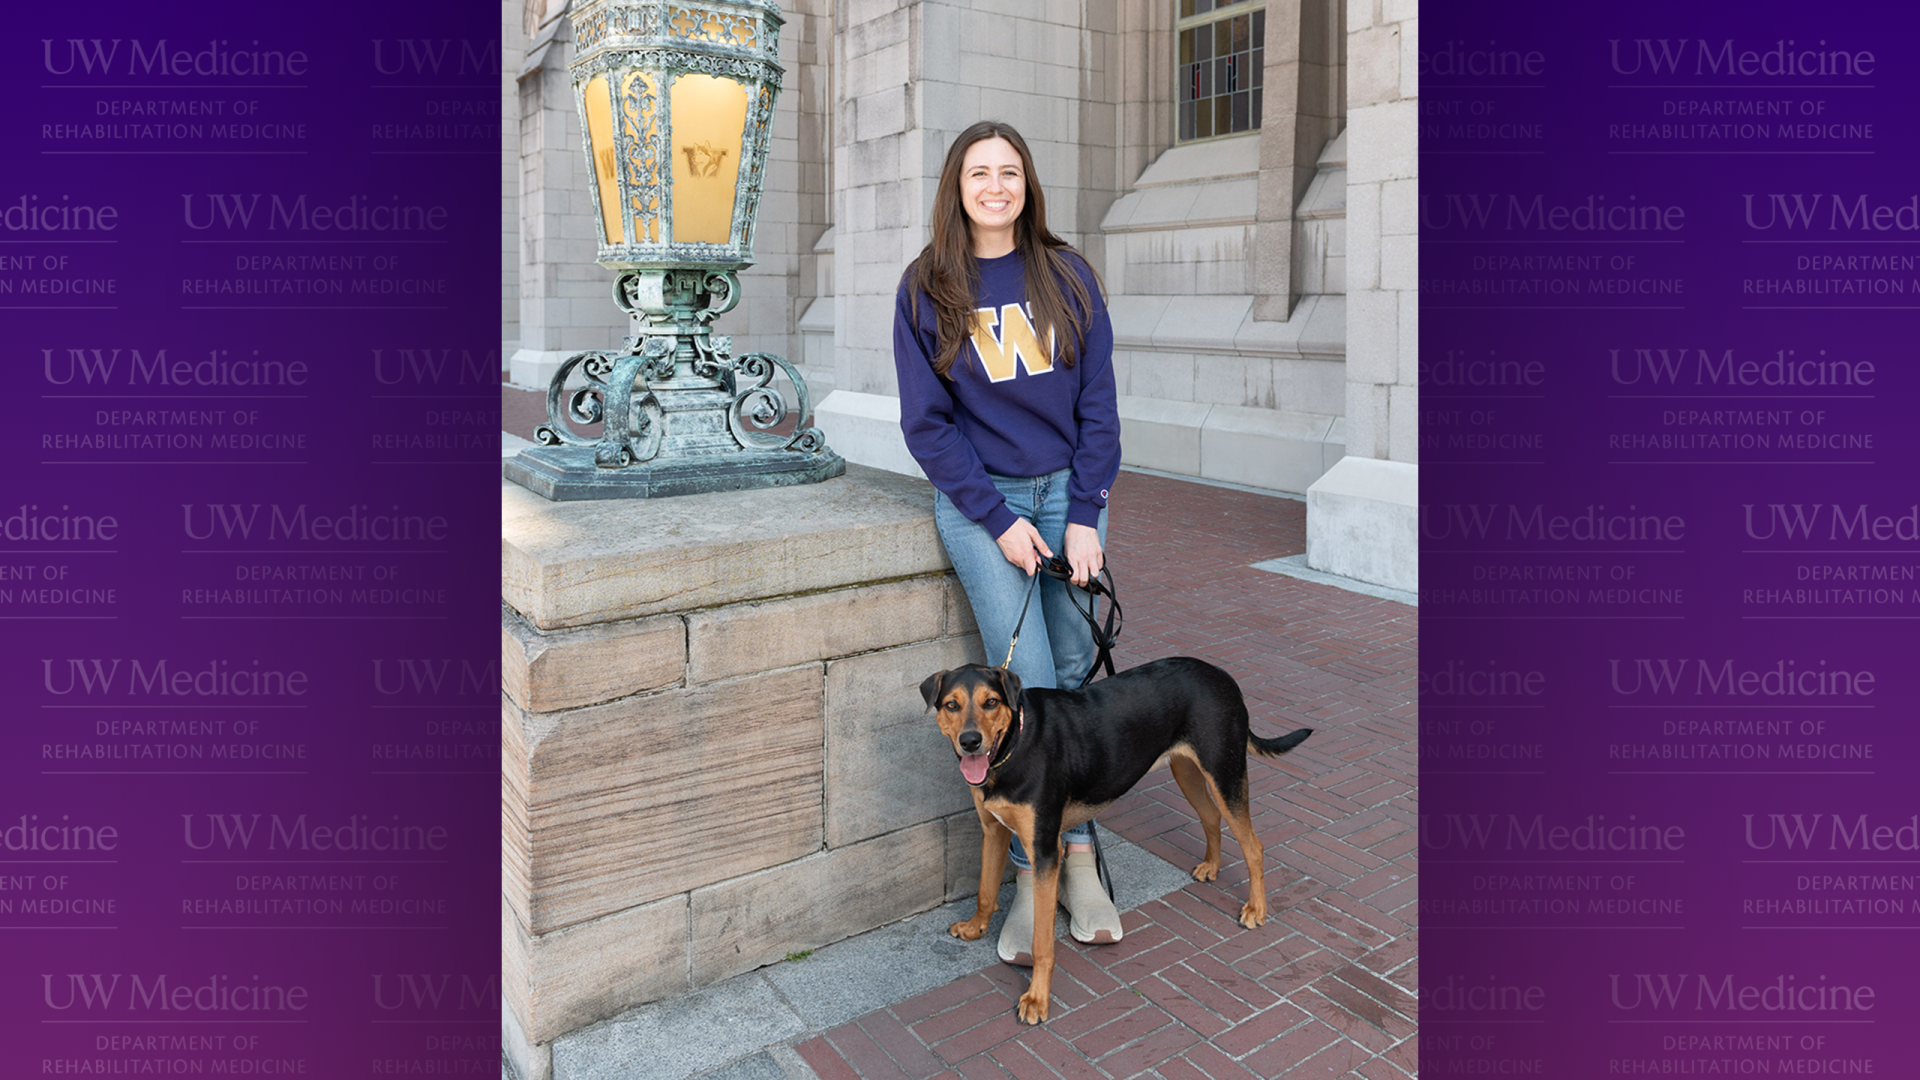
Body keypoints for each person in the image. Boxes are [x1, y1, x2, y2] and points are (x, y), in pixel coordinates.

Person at [892, 120, 1123, 964]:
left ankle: (1085, 861)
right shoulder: (926, 286)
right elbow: (928, 426)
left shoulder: (1068, 274)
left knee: (1072, 682)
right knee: (1015, 692)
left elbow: (1098, 405)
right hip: (982, 505)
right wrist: (998, 519)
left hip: (1067, 497)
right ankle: (1034, 876)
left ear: (1029, 184)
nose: (995, 186)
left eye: (1010, 172)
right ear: (957, 185)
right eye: (979, 172)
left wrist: (1086, 514)